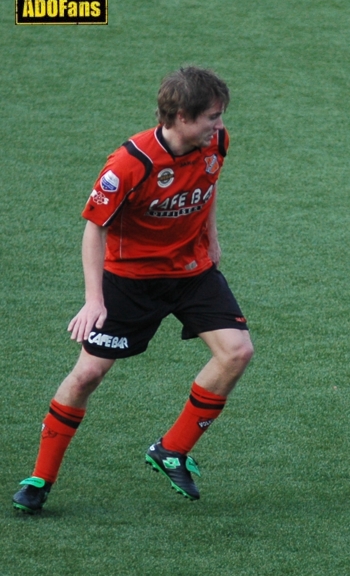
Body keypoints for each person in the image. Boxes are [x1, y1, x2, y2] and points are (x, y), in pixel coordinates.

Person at [13, 66, 254, 512]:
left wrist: (213, 239)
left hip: (191, 273)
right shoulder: (130, 164)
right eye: (212, 117)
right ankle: (40, 478)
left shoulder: (215, 143)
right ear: (182, 117)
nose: (219, 125)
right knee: (87, 375)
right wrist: (94, 299)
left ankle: (172, 449)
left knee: (237, 352)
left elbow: (208, 185)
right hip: (131, 281)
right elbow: (94, 228)